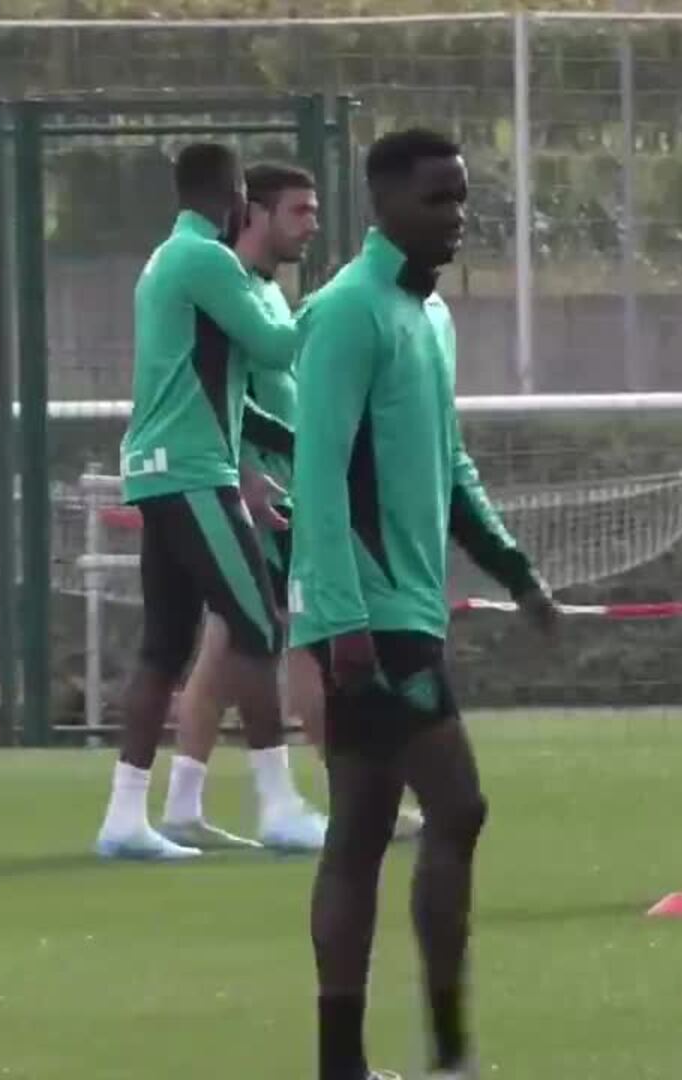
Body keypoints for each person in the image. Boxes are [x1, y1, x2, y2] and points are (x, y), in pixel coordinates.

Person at [292, 128, 557, 1080]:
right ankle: (449, 1055)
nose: (456, 216)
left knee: (361, 830)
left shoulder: (429, 318)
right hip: (370, 620)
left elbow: (449, 468)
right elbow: (318, 474)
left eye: (461, 197)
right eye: (437, 198)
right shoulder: (344, 313)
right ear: (385, 203)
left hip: (407, 609)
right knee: (459, 806)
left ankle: (346, 1065)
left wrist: (515, 571)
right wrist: (341, 619)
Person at [94, 142, 308, 860]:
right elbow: (276, 347)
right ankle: (279, 806)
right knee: (258, 626)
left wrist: (277, 454)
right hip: (189, 473)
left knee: (165, 646)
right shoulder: (207, 261)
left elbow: (223, 393)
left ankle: (126, 817)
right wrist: (336, 305)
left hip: (167, 470)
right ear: (237, 195)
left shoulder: (170, 258)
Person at [156, 161, 335, 853]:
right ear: (253, 212)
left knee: (231, 643)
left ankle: (184, 805)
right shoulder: (226, 287)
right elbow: (223, 399)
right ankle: (331, 799)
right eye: (299, 211)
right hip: (260, 493)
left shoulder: (263, 291)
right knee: (284, 638)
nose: (312, 225)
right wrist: (250, 471)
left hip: (281, 486)